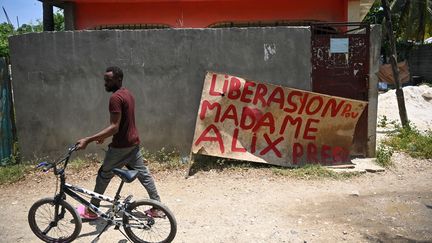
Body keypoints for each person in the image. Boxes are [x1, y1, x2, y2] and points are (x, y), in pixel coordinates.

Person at [76, 66, 161, 219]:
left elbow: (114, 127)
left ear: (118, 79)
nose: (105, 83)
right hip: (133, 142)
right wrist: (104, 135)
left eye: (108, 80)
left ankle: (92, 210)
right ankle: (158, 207)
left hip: (120, 146)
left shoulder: (115, 98)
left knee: (104, 175)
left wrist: (88, 140)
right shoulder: (127, 94)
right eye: (105, 80)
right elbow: (121, 124)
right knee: (144, 175)